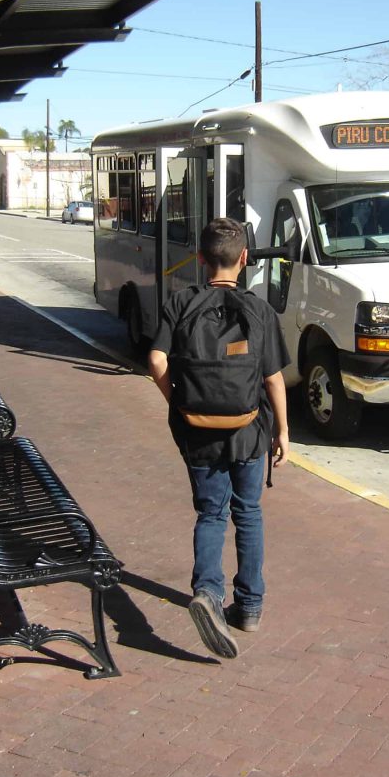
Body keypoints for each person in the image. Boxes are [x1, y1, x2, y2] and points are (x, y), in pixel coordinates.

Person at [148, 218, 290, 660]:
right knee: (248, 513)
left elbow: (155, 360)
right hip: (249, 432)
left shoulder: (180, 302)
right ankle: (248, 607)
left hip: (197, 431)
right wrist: (283, 430)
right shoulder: (259, 309)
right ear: (244, 259)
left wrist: (178, 400)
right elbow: (273, 379)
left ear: (202, 258)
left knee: (211, 513)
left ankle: (207, 593)